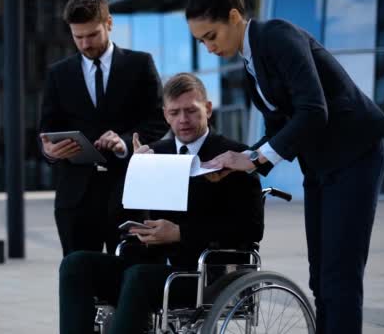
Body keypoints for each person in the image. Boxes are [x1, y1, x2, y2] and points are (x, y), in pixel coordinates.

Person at [184, 0, 384, 333]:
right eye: (201, 41)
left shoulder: (278, 35)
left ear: (235, 18)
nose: (208, 47)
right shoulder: (251, 62)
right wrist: (238, 161)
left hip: (355, 156)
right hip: (321, 164)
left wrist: (254, 159)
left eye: (211, 36)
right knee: (320, 277)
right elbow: (278, 127)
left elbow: (313, 110)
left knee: (339, 276)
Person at [58, 73, 264, 334]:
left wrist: (180, 233)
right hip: (149, 264)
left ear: (208, 109)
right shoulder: (154, 151)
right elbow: (117, 215)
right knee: (76, 264)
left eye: (191, 111)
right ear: (165, 115)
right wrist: (135, 169)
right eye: (175, 112)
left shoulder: (233, 155)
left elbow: (251, 228)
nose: (183, 120)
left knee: (139, 277)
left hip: (204, 272)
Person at [38, 0, 168, 256]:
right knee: (80, 282)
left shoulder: (140, 64)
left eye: (92, 34)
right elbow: (47, 129)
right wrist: (49, 152)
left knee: (130, 281)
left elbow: (158, 117)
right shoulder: (58, 74)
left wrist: (125, 141)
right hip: (76, 200)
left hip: (130, 195)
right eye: (78, 37)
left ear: (109, 23)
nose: (85, 43)